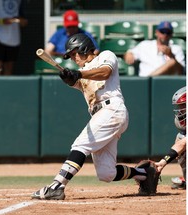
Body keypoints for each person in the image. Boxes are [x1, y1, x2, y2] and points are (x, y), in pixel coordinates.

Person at [31, 33, 157, 200]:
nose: (73, 58)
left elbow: (104, 72)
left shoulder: (105, 56)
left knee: (80, 145)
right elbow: (76, 81)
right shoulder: (83, 72)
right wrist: (69, 78)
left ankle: (57, 186)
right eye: (70, 56)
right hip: (101, 115)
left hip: (112, 109)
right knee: (106, 173)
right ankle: (144, 173)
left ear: (84, 48)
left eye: (75, 53)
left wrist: (79, 74)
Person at [0, 0, 28, 75]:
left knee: (9, 68)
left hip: (13, 38)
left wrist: (23, 21)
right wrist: (1, 21)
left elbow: (22, 17)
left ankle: (6, 86)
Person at [155, 86, 186, 190]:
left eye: (184, 105)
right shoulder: (180, 124)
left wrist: (164, 161)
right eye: (180, 106)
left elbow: (183, 144)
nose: (181, 109)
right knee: (180, 137)